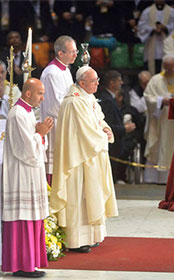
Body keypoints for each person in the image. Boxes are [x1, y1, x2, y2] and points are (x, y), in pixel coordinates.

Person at [50, 66, 118, 253]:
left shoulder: (88, 98)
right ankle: (76, 240)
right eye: (93, 80)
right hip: (78, 160)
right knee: (79, 198)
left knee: (91, 197)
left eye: (97, 79)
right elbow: (86, 132)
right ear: (81, 83)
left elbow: (98, 120)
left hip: (90, 157)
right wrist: (103, 137)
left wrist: (106, 129)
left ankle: (92, 236)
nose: (97, 83)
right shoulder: (74, 102)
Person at [1, 78, 54, 278]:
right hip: (21, 175)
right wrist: (40, 134)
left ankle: (29, 263)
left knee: (32, 218)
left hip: (31, 174)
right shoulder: (17, 114)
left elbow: (37, 146)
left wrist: (41, 134)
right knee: (22, 219)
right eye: (40, 93)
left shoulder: (28, 112)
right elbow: (25, 151)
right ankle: (21, 265)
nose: (43, 98)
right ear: (28, 93)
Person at [40, 35, 77, 184]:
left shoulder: (65, 70)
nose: (76, 55)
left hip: (65, 122)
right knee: (54, 165)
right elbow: (56, 104)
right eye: (72, 52)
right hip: (55, 123)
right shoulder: (51, 73)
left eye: (76, 51)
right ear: (60, 54)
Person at [143, 55, 174, 184]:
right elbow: (148, 98)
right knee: (162, 146)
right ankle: (160, 179)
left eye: (172, 69)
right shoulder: (156, 80)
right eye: (167, 69)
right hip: (162, 122)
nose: (170, 72)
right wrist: (161, 101)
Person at [96, 70, 135, 183]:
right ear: (112, 83)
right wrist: (125, 129)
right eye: (119, 80)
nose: (121, 83)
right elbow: (106, 124)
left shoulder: (110, 98)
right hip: (112, 144)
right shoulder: (107, 100)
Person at [137, 0, 174, 75]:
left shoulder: (172, 12)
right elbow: (141, 27)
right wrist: (152, 29)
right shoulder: (147, 12)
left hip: (166, 45)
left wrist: (165, 28)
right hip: (152, 47)